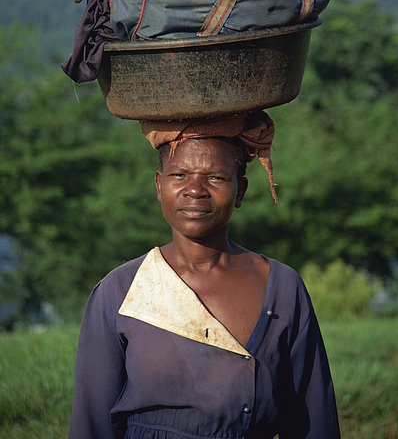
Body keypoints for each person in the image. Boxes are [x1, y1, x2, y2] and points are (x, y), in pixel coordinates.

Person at [68, 111, 340, 439]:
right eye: (179, 175)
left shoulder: (281, 287)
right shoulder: (121, 291)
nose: (195, 190)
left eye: (215, 178)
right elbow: (91, 425)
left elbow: (314, 422)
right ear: (159, 185)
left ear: (240, 190)